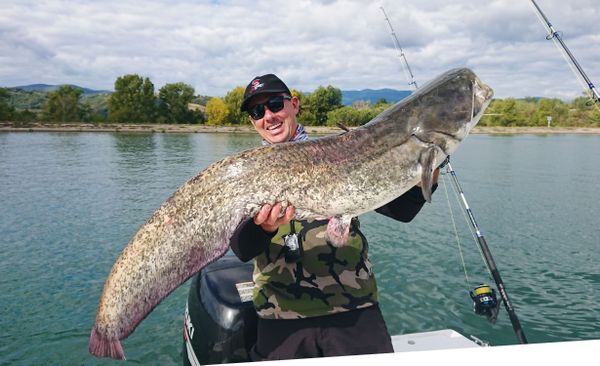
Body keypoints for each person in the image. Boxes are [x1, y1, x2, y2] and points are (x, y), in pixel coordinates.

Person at [230, 74, 439, 361]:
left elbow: (401, 212)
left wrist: (427, 168)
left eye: (275, 105)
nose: (269, 116)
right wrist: (264, 228)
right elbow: (241, 249)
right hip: (281, 317)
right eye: (257, 111)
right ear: (253, 120)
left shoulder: (342, 154)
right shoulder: (246, 173)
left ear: (294, 105)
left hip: (354, 311)